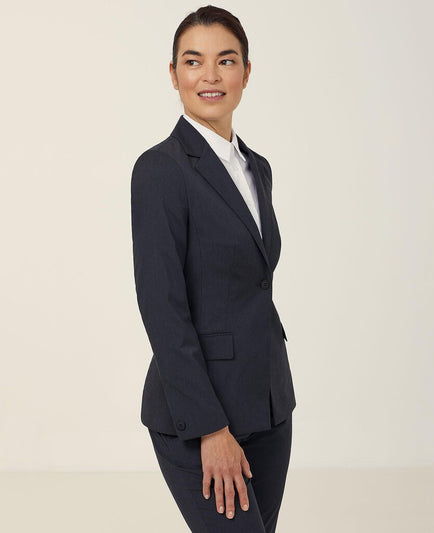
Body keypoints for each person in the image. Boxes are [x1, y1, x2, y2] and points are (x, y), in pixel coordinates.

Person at [130, 5, 297, 532]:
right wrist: (210, 428)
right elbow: (162, 309)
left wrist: (275, 399)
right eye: (193, 61)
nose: (210, 75)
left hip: (269, 405)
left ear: (246, 72)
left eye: (225, 60)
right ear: (173, 74)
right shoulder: (160, 170)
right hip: (200, 415)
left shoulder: (257, 168)